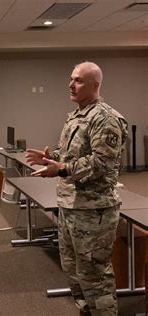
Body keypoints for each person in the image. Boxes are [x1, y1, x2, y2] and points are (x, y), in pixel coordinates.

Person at [26, 61, 128, 316]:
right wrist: (52, 157)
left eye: (79, 80)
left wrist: (60, 168)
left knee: (94, 275)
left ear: (95, 85)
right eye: (71, 79)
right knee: (74, 271)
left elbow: (101, 162)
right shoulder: (77, 116)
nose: (71, 84)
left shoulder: (105, 118)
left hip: (94, 212)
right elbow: (73, 153)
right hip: (70, 206)